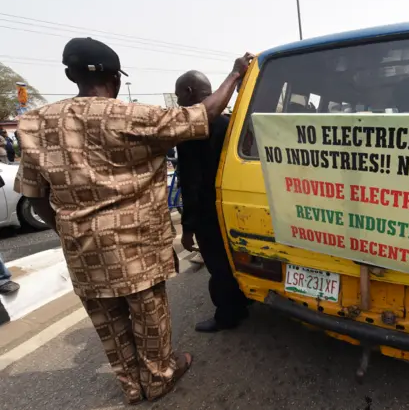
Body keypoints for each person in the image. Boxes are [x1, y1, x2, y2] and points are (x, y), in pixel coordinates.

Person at [13, 37, 253, 404]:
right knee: (148, 316)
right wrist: (236, 73)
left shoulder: (33, 125)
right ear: (113, 78)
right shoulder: (130, 116)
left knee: (109, 324)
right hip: (135, 249)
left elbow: (34, 195)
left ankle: (131, 386)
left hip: (82, 250)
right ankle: (159, 377)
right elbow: (202, 115)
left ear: (69, 75)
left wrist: (65, 228)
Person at [174, 70, 249, 333]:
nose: (177, 101)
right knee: (235, 259)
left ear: (190, 93)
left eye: (178, 95)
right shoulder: (230, 122)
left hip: (208, 212)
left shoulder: (191, 131)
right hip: (238, 205)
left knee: (218, 266)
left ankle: (227, 316)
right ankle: (243, 303)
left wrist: (187, 227)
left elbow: (191, 181)